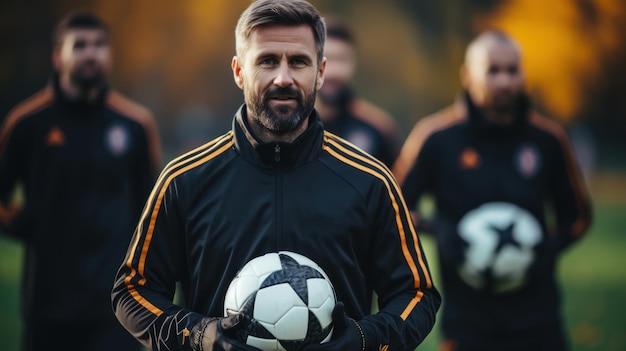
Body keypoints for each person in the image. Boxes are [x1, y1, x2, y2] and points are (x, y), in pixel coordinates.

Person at [111, 1, 441, 350]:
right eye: (267, 61)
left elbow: (417, 294)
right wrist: (198, 335)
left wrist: (363, 339)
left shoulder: (371, 181)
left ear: (321, 72)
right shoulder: (184, 180)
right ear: (239, 71)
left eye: (298, 62)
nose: (283, 78)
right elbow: (132, 291)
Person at [392, 30, 592, 351]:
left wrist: (544, 249)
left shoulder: (548, 139)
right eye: (493, 70)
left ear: (523, 74)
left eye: (512, 70)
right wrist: (438, 229)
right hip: (466, 322)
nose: (504, 81)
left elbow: (578, 216)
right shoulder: (436, 138)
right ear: (468, 75)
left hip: (539, 319)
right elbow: (394, 208)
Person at [0, 11, 162, 351]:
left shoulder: (134, 124)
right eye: (81, 45)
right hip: (48, 307)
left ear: (109, 55)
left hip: (116, 306)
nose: (92, 53)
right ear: (58, 56)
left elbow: (153, 215)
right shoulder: (27, 123)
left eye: (100, 45)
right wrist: (26, 224)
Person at [314, 16, 402, 168]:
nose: (334, 71)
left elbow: (396, 187)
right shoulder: (289, 126)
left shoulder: (378, 129)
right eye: (326, 59)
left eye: (342, 59)